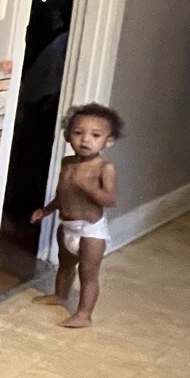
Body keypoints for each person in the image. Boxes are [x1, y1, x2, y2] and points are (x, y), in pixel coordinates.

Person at [32, 103, 122, 329]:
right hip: (67, 226)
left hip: (91, 230)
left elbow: (110, 200)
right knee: (65, 264)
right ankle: (60, 295)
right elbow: (63, 193)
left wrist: (88, 188)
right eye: (78, 133)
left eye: (95, 135)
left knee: (88, 273)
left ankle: (84, 314)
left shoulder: (104, 168)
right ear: (67, 136)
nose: (85, 140)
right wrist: (47, 210)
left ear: (108, 141)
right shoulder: (67, 163)